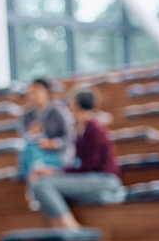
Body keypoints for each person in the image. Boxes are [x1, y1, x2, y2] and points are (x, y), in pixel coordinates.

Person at [29, 91, 122, 230]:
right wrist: (56, 172)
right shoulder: (82, 129)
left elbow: (89, 166)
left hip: (104, 179)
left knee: (42, 185)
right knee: (43, 183)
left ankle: (72, 228)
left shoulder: (96, 128)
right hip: (91, 176)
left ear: (77, 104)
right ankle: (59, 228)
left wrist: (57, 172)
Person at [18, 78, 74, 188]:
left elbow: (69, 137)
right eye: (31, 92)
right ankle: (35, 184)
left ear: (47, 92)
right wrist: (32, 135)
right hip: (36, 154)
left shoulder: (58, 111)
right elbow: (24, 137)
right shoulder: (26, 116)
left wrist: (54, 143)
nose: (34, 95)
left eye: (37, 91)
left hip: (57, 154)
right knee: (29, 151)